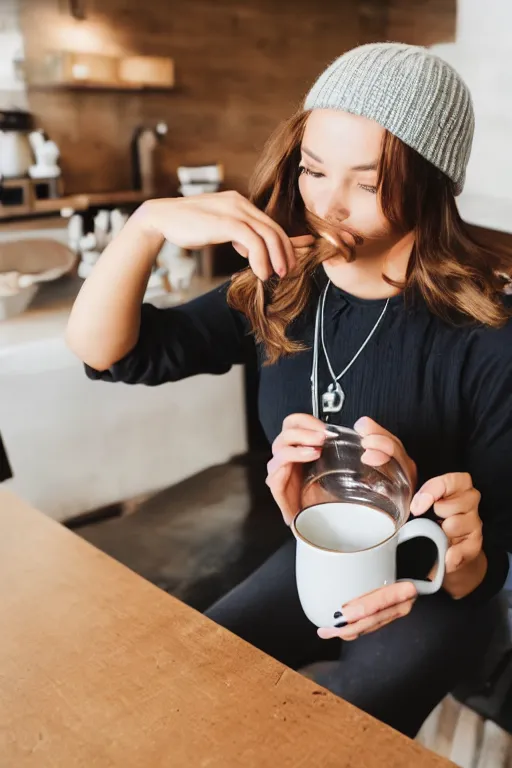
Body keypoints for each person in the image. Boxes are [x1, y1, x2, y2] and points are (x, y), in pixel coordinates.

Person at [66, 43, 512, 737]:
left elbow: (477, 574)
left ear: (431, 184)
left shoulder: (488, 335)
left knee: (318, 735)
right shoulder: (282, 287)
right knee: (185, 685)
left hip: (431, 593)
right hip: (312, 558)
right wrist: (147, 224)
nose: (326, 203)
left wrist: (462, 546)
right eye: (313, 168)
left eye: (367, 183)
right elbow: (111, 353)